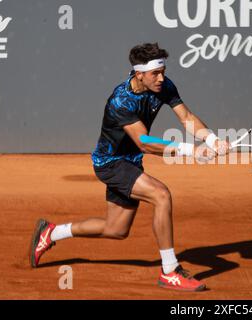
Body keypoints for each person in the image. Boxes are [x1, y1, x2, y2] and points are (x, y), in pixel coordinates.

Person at [29, 43, 230, 292]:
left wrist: (212, 139)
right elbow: (144, 142)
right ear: (139, 75)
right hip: (111, 164)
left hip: (130, 162)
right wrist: (192, 151)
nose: (161, 78)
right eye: (155, 73)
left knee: (116, 229)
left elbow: (187, 118)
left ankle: (52, 232)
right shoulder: (121, 101)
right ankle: (169, 271)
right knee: (161, 195)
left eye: (163, 71)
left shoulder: (163, 86)